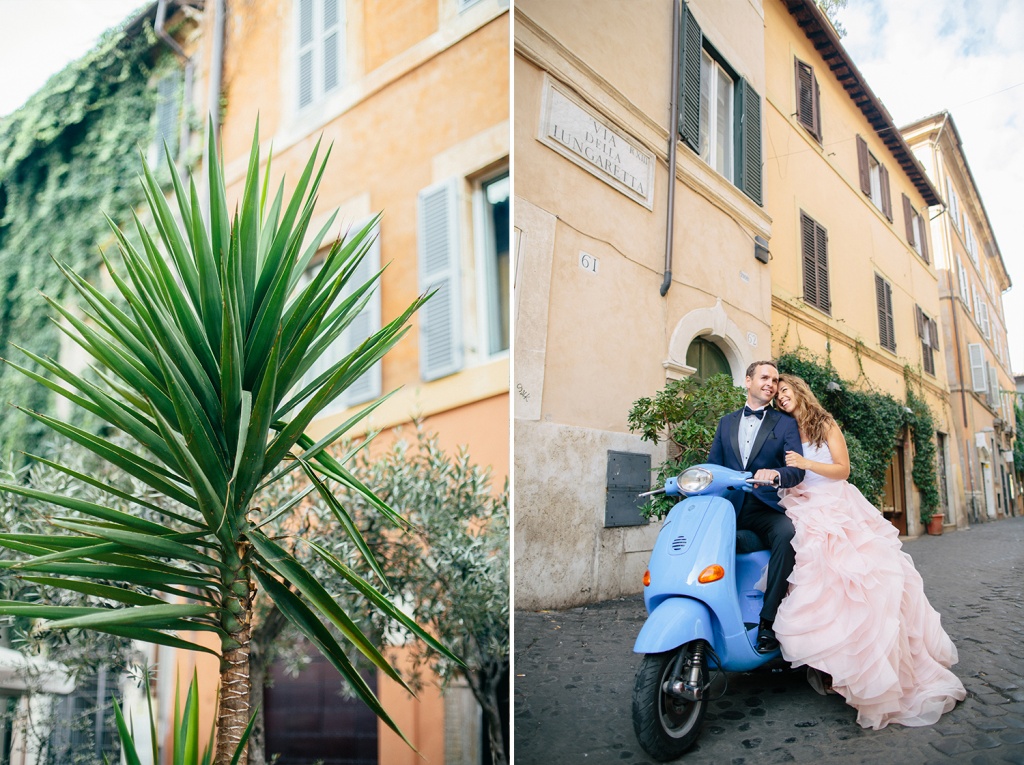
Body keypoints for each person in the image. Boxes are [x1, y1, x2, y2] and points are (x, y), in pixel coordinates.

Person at [772, 374, 966, 729]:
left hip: (835, 505)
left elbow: (843, 470)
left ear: (799, 391)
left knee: (857, 583)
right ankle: (831, 662)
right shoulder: (785, 429)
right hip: (802, 505)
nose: (782, 397)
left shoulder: (824, 423)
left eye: (786, 391)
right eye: (778, 395)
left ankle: (867, 668)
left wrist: (806, 463)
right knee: (817, 584)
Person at [707, 360, 805, 653]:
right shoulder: (725, 423)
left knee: (787, 535)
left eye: (774, 380)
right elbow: (713, 466)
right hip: (730, 507)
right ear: (748, 381)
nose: (771, 384)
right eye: (765, 378)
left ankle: (768, 622)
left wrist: (775, 474)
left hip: (766, 508)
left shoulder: (785, 423)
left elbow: (796, 470)